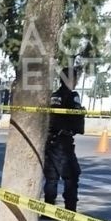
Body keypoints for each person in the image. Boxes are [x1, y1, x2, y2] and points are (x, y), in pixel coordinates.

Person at [43, 67, 86, 212]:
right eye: (75, 78)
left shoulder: (54, 95)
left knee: (52, 177)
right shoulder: (73, 95)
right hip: (63, 142)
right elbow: (76, 115)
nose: (77, 81)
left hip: (50, 141)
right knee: (72, 175)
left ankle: (48, 210)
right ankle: (70, 210)